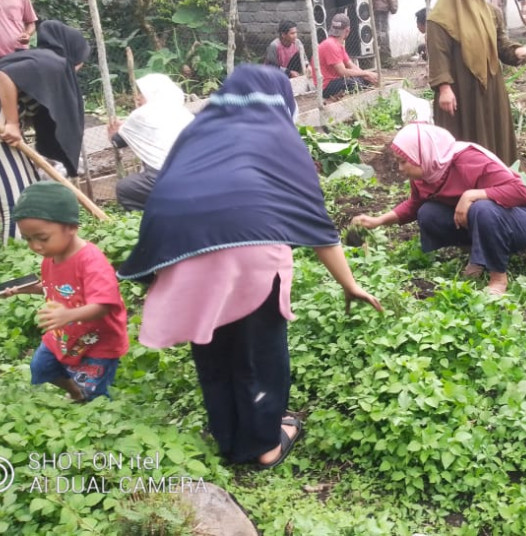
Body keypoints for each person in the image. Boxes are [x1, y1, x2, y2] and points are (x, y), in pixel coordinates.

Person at [117, 65, 382, 468]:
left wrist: (157, 272)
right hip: (253, 252)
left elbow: (163, 195)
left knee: (213, 348)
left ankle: (228, 437)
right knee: (259, 352)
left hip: (187, 254)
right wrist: (349, 284)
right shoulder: (278, 137)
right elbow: (314, 219)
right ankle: (264, 445)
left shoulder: (197, 133)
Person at [352, 124, 526, 296]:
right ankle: (480, 253)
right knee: (428, 213)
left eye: (403, 162)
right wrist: (378, 221)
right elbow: (415, 204)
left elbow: (520, 192)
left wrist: (471, 195)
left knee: (482, 208)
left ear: (422, 154)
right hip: (483, 220)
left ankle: (498, 278)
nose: (400, 168)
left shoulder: (469, 160)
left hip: (519, 220)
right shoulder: (427, 170)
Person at [0, 20, 89, 241]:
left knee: (30, 189)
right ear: (74, 52)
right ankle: (20, 262)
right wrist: (12, 123)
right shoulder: (55, 62)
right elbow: (6, 76)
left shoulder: (42, 59)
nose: (81, 67)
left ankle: (35, 253)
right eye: (82, 60)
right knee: (17, 197)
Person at [1, 181, 129, 402]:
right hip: (64, 335)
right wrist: (25, 290)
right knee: (41, 368)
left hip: (97, 342)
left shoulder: (90, 261)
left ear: (71, 227)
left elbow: (104, 304)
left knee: (94, 393)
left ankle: (97, 416)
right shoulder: (51, 258)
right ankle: (74, 392)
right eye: (29, 239)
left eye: (42, 238)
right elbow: (56, 288)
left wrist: (67, 315)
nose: (35, 246)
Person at [426, 0, 526, 165]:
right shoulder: (440, 19)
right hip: (461, 92)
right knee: (464, 143)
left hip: (491, 89)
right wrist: (444, 88)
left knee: (493, 137)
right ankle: (463, 191)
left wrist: (520, 53)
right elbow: (438, 55)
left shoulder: (491, 12)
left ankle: (497, 187)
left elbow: (501, 46)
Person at [108, 73, 194, 211]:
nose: (137, 97)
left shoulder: (142, 114)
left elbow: (118, 141)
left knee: (125, 188)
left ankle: (146, 215)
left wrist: (113, 134)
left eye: (142, 93)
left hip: (167, 177)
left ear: (152, 94)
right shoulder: (184, 113)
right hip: (197, 174)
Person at [315, 13, 379, 99]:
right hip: (325, 86)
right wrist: (367, 73)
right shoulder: (330, 45)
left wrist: (367, 76)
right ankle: (332, 98)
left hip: (335, 81)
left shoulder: (337, 44)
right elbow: (343, 72)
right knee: (356, 84)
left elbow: (350, 65)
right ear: (347, 30)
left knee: (365, 81)